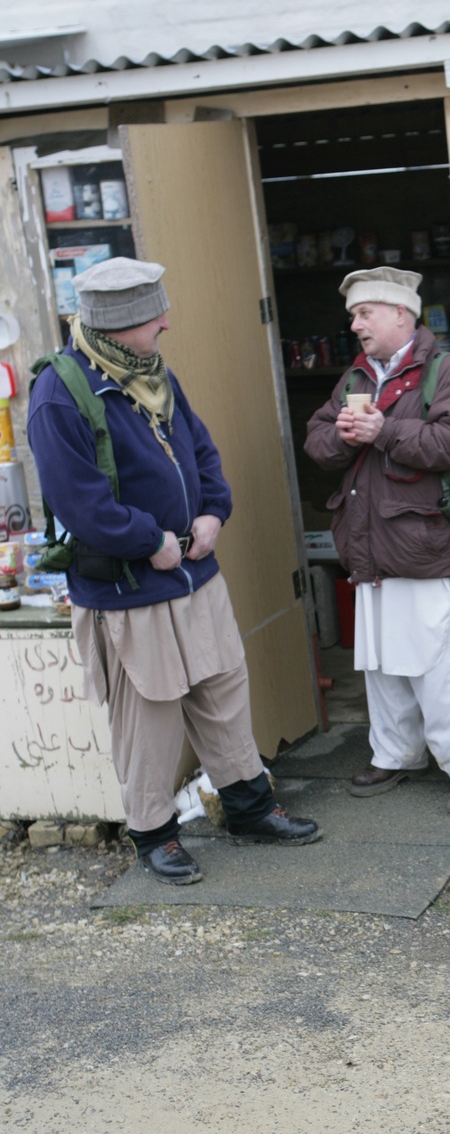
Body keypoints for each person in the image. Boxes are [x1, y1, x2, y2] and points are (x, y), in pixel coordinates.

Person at [27, 257, 321, 886]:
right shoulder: (59, 393)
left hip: (196, 574)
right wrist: (148, 540)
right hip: (129, 589)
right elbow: (79, 500)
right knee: (149, 720)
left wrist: (214, 511)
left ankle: (248, 809)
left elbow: (201, 450)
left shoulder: (153, 373)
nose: (166, 322)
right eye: (152, 316)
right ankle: (155, 837)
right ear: (117, 323)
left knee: (223, 696)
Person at [304, 267, 450, 815]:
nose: (355, 323)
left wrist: (383, 431)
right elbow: (317, 440)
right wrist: (343, 436)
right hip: (370, 546)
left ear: (400, 314)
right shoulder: (355, 377)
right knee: (382, 662)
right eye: (353, 315)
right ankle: (395, 752)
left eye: (365, 312)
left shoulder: (446, 372)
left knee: (447, 664)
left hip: (428, 545)